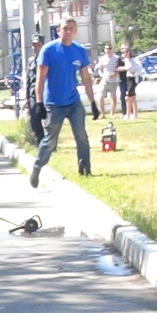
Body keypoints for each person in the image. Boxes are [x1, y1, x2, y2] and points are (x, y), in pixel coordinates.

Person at [27, 17, 99, 187]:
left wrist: (93, 102)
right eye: (65, 28)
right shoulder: (48, 50)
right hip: (53, 103)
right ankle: (37, 168)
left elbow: (86, 78)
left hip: (73, 101)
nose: (68, 31)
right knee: (50, 140)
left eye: (71, 28)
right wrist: (39, 103)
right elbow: (40, 78)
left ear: (75, 31)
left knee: (82, 136)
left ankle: (85, 169)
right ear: (58, 30)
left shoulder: (79, 51)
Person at [98, 43, 122, 117]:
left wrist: (114, 74)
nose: (108, 50)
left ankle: (112, 113)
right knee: (101, 97)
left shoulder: (116, 58)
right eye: (106, 49)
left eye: (109, 48)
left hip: (114, 80)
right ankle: (102, 114)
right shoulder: (102, 59)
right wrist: (103, 76)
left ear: (112, 49)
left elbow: (119, 68)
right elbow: (100, 69)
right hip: (105, 80)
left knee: (113, 97)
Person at [122, 46, 144, 119]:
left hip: (133, 78)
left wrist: (135, 73)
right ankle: (134, 114)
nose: (125, 53)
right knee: (133, 97)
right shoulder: (126, 60)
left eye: (127, 51)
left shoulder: (134, 60)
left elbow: (139, 69)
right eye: (124, 52)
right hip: (128, 77)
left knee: (128, 97)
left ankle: (128, 115)